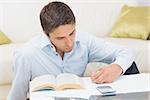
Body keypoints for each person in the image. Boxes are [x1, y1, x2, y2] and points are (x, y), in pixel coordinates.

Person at [7, 1, 135, 100]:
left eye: (72, 33)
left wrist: (116, 68)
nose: (69, 43)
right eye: (60, 38)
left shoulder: (84, 41)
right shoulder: (26, 55)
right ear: (47, 34)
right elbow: (17, 95)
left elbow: (126, 52)